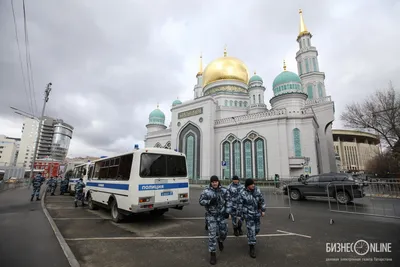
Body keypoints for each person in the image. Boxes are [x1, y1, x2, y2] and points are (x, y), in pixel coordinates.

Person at [199, 175, 232, 265]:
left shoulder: (224, 190)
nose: (214, 183)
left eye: (216, 181)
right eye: (213, 182)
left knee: (223, 233)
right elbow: (201, 201)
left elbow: (229, 201)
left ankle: (220, 241)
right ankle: (212, 254)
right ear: (211, 182)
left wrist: (227, 212)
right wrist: (209, 202)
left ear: (218, 182)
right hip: (211, 216)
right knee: (212, 235)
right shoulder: (206, 191)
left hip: (221, 215)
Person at [237, 178, 266, 258]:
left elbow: (262, 200)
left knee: (257, 229)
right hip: (248, 215)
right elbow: (239, 204)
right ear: (247, 185)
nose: (253, 185)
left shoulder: (257, 190)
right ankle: (252, 248)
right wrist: (239, 215)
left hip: (257, 214)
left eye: (253, 183)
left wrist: (263, 210)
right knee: (252, 230)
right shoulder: (243, 193)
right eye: (251, 184)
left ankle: (250, 236)